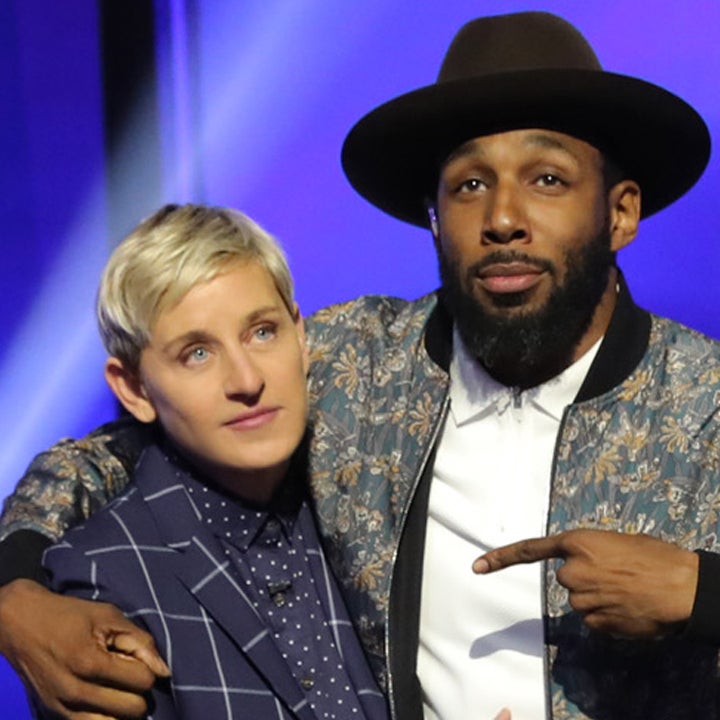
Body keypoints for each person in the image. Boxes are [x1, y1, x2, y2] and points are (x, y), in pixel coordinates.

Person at [0, 10, 718, 720]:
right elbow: (108, 458)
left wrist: (701, 590)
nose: (503, 218)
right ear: (433, 216)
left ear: (620, 213)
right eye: (469, 185)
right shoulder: (360, 363)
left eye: (548, 179)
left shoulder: (704, 401)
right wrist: (14, 598)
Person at [26, 203, 389, 719]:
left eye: (262, 332)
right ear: (133, 389)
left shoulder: (368, 495)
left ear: (300, 335)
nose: (247, 380)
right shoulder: (101, 580)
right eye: (197, 353)